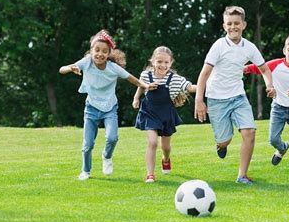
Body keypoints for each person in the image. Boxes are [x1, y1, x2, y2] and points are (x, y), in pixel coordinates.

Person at [59, 29, 157, 181]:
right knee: (88, 145)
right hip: (91, 109)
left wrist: (145, 86)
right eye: (96, 50)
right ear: (91, 51)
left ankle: (107, 156)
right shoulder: (86, 62)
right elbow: (62, 69)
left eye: (104, 51)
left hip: (110, 108)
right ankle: (86, 170)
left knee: (112, 138)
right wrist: (71, 68)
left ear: (109, 53)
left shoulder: (113, 68)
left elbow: (133, 79)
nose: (100, 54)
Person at [194, 6, 276, 185]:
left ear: (244, 25)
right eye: (229, 23)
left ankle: (242, 175)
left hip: (238, 96)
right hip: (216, 98)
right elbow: (204, 74)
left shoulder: (249, 47)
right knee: (225, 140)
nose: (233, 27)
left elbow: (264, 69)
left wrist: (269, 84)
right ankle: (221, 145)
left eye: (236, 23)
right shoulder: (219, 46)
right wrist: (199, 100)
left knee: (249, 132)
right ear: (224, 26)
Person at [244, 34, 289, 175]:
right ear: (284, 50)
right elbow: (258, 68)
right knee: (273, 139)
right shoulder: (275, 65)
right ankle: (282, 148)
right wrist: (242, 69)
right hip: (278, 108)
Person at [133, 46, 196, 183]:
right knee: (152, 142)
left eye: (166, 62)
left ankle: (166, 159)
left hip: (166, 114)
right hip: (149, 112)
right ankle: (150, 174)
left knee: (165, 147)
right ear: (153, 61)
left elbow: (190, 87)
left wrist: (205, 86)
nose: (163, 65)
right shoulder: (146, 75)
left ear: (171, 63)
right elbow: (140, 85)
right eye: (159, 61)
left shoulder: (175, 79)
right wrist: (136, 98)